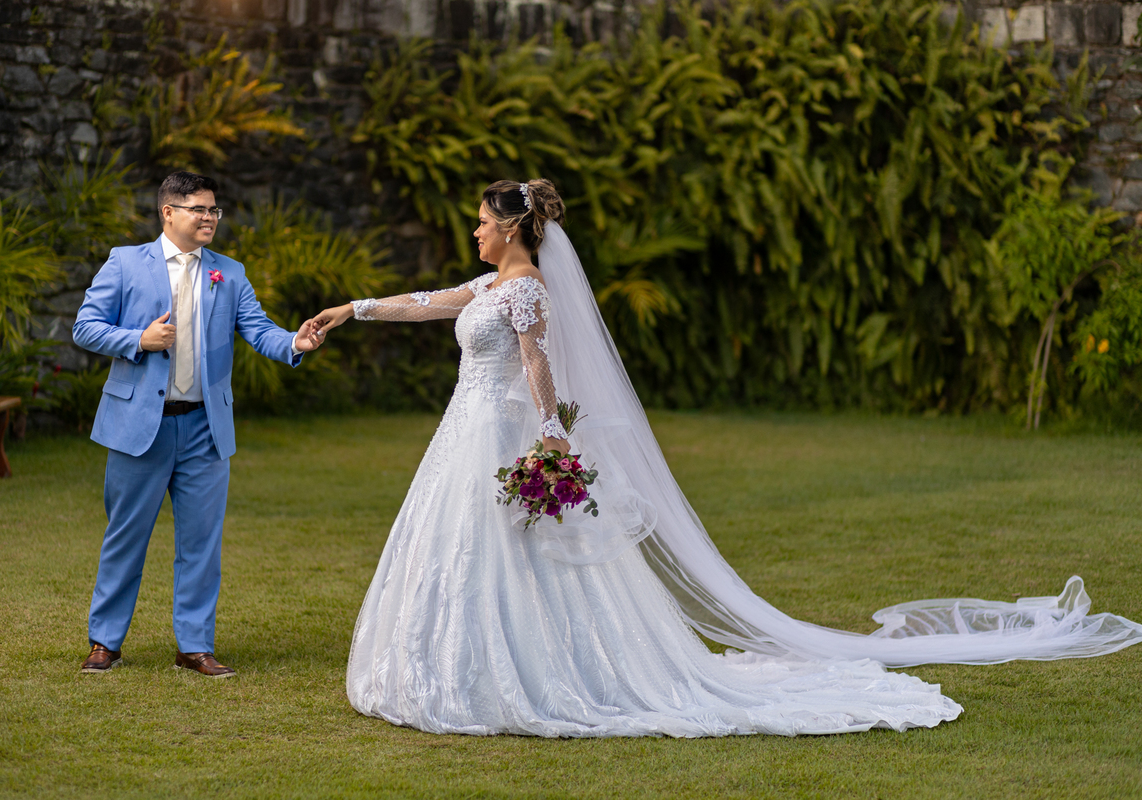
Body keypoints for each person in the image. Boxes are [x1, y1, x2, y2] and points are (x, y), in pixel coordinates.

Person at [309, 179, 1142, 736]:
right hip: (463, 433)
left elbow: (537, 367)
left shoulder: (525, 289)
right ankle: (458, 665)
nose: (475, 230)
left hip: (503, 432)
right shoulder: (487, 286)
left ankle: (536, 674)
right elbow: (425, 303)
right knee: (457, 552)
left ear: (513, 229)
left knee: (524, 558)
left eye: (483, 222)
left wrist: (552, 439)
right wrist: (351, 309)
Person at [72, 171, 323, 678]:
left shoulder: (228, 272)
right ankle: (105, 642)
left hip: (205, 430)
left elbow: (258, 329)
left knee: (202, 545)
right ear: (169, 213)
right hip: (139, 426)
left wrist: (294, 344)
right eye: (199, 209)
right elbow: (85, 326)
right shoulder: (125, 263)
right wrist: (137, 340)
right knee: (126, 536)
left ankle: (194, 646)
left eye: (214, 210)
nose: (209, 218)